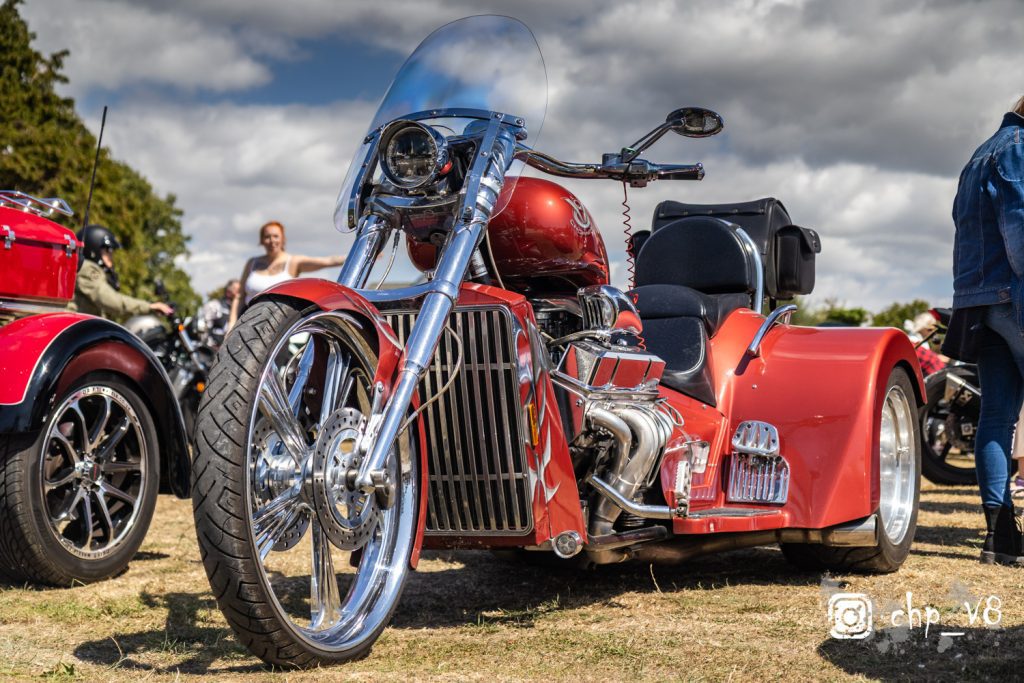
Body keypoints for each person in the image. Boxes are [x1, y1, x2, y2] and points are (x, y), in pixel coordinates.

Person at [945, 94, 1024, 566]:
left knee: (997, 417)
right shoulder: (1017, 150)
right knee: (998, 419)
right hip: (1014, 296)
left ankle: (1000, 537)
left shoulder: (980, 155)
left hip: (980, 304)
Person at [227, 221, 345, 329]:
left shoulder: (293, 262)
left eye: (275, 236)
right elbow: (240, 296)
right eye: (267, 237)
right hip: (247, 324)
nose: (272, 240)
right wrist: (232, 324)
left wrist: (357, 255)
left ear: (283, 239)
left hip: (277, 326)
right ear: (262, 240)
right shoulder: (252, 263)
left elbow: (328, 261)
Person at [74, 224, 174, 320]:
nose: (111, 258)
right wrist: (149, 306)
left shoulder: (89, 270)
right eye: (107, 251)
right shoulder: (87, 269)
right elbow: (112, 301)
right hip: (74, 332)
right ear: (93, 250)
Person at [199, 278, 240, 348]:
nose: (239, 293)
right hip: (212, 349)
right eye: (237, 290)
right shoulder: (214, 305)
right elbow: (203, 328)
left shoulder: (241, 310)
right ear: (228, 291)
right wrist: (208, 346)